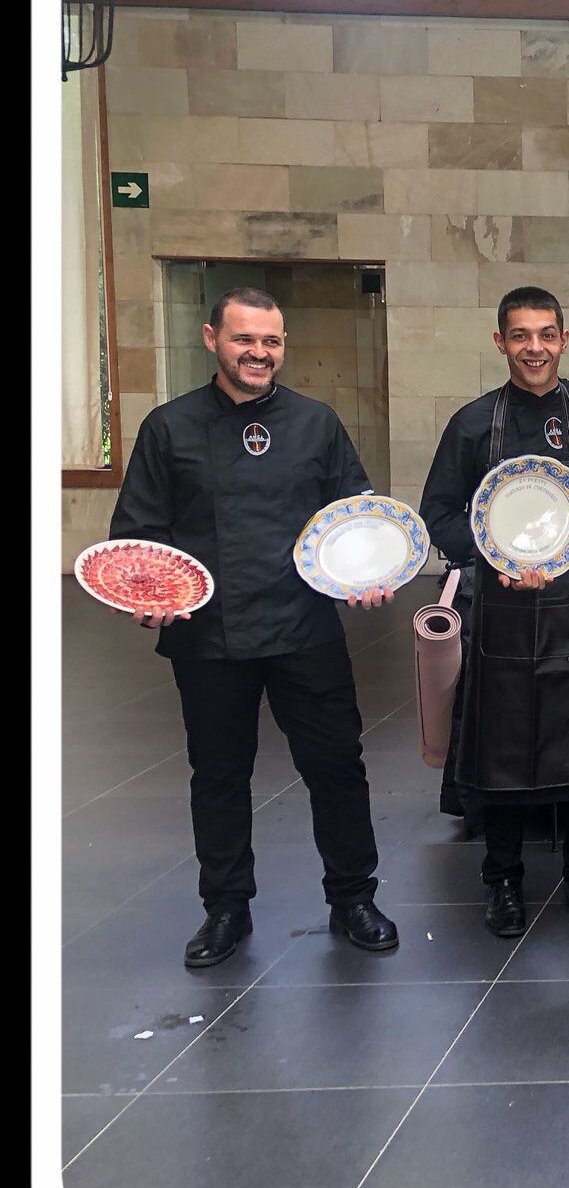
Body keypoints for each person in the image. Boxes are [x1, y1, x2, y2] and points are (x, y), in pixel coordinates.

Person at [108, 287, 398, 967]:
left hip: (305, 626)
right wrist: (146, 593)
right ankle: (226, 908)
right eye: (244, 339)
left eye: (271, 341)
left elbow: (355, 514)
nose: (258, 353)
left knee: (336, 765)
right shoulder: (169, 427)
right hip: (208, 635)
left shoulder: (315, 422)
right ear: (212, 338)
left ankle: (353, 895)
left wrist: (370, 568)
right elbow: (139, 535)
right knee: (217, 773)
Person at [418, 287, 569, 938]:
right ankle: (503, 881)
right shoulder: (472, 422)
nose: (533, 347)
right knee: (503, 752)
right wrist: (489, 554)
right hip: (504, 608)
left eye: (545, 334)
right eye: (520, 335)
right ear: (500, 342)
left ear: (564, 339)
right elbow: (440, 515)